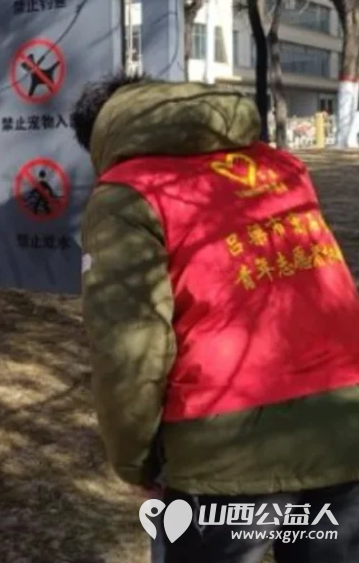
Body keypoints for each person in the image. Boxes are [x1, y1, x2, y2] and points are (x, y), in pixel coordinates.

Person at [69, 73, 359, 562]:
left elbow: (129, 348)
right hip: (344, 425)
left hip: (223, 445)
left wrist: (135, 461)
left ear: (101, 135)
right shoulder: (281, 166)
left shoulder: (126, 193)